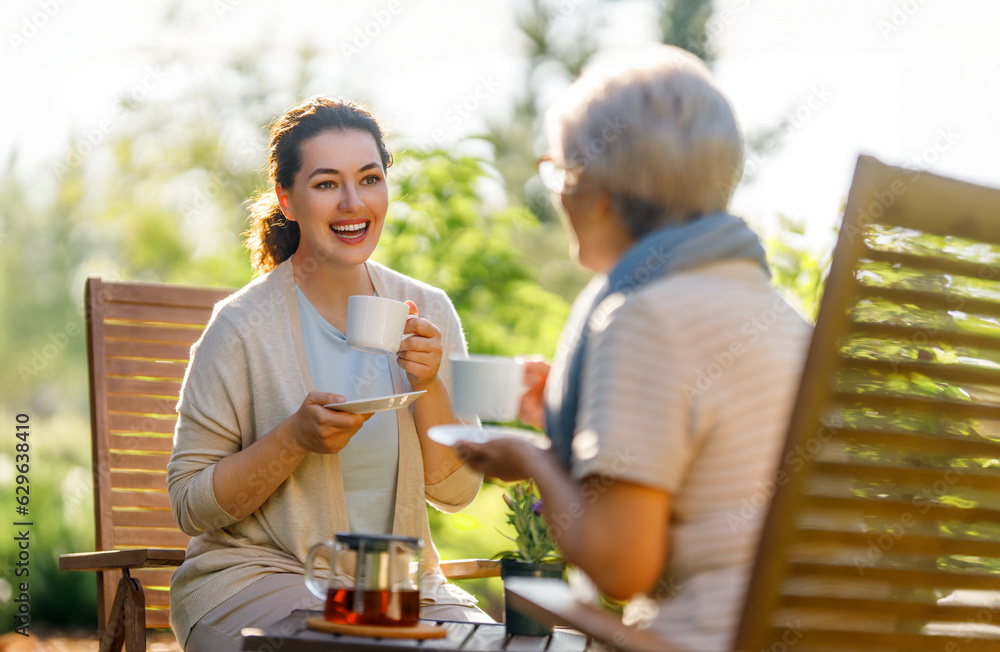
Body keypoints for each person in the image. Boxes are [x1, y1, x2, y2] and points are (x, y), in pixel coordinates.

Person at [455, 46, 813, 652]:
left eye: (557, 174)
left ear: (595, 193)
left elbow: (622, 567)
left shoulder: (643, 317)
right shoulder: (784, 318)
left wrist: (536, 461)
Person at [167, 97, 489, 652]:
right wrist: (292, 439)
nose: (352, 202)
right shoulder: (241, 325)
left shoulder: (427, 309)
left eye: (369, 178)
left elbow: (459, 492)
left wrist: (429, 385)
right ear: (287, 201)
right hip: (257, 580)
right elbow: (190, 506)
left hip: (397, 592)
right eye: (325, 184)